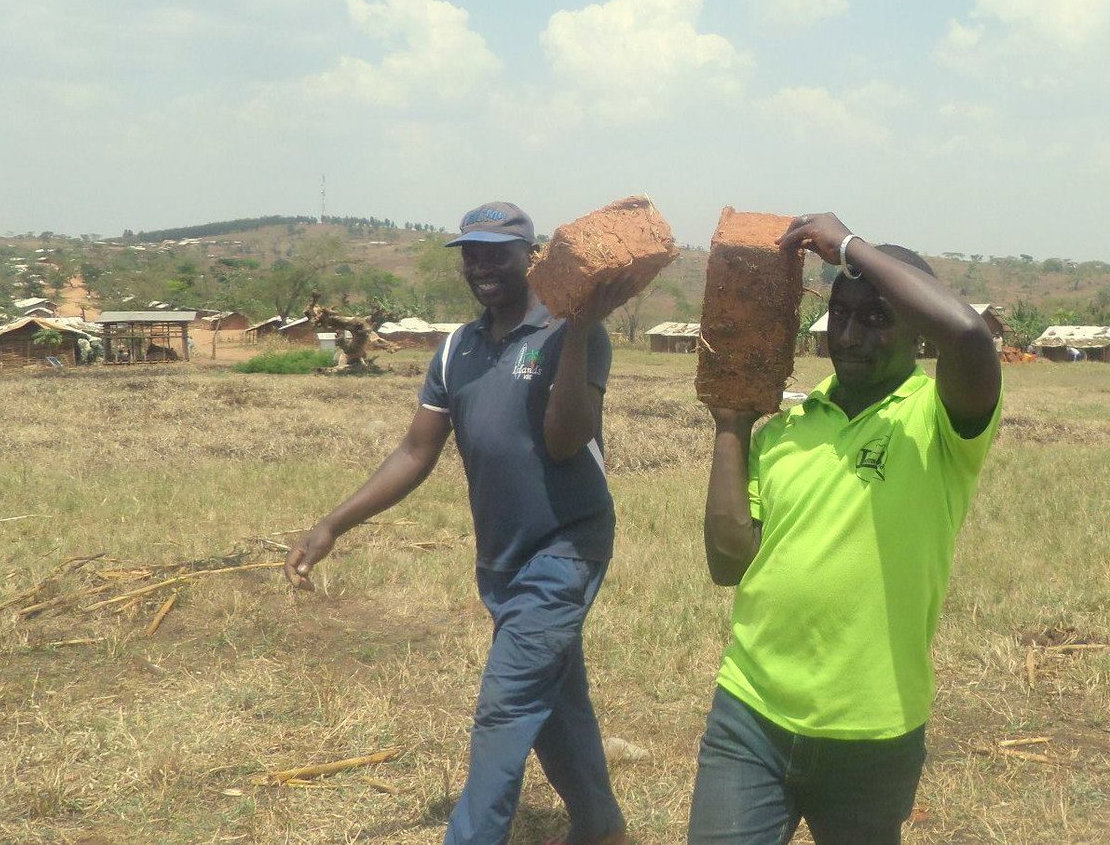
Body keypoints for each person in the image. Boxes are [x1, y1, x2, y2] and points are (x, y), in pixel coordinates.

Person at [285, 202, 633, 845]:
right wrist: (334, 523)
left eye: (496, 251)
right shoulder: (457, 349)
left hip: (566, 546)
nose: (481, 265)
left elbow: (565, 440)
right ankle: (603, 829)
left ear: (531, 256)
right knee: (555, 700)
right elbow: (416, 452)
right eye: (471, 252)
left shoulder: (571, 331)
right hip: (502, 553)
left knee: (506, 708)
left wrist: (582, 329)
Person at [690, 213, 1002, 845]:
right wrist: (731, 427)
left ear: (919, 331)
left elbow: (970, 336)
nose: (851, 335)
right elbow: (728, 563)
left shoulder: (939, 425)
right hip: (750, 713)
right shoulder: (786, 430)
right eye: (840, 314)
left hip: (873, 734)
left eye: (878, 316)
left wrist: (849, 246)